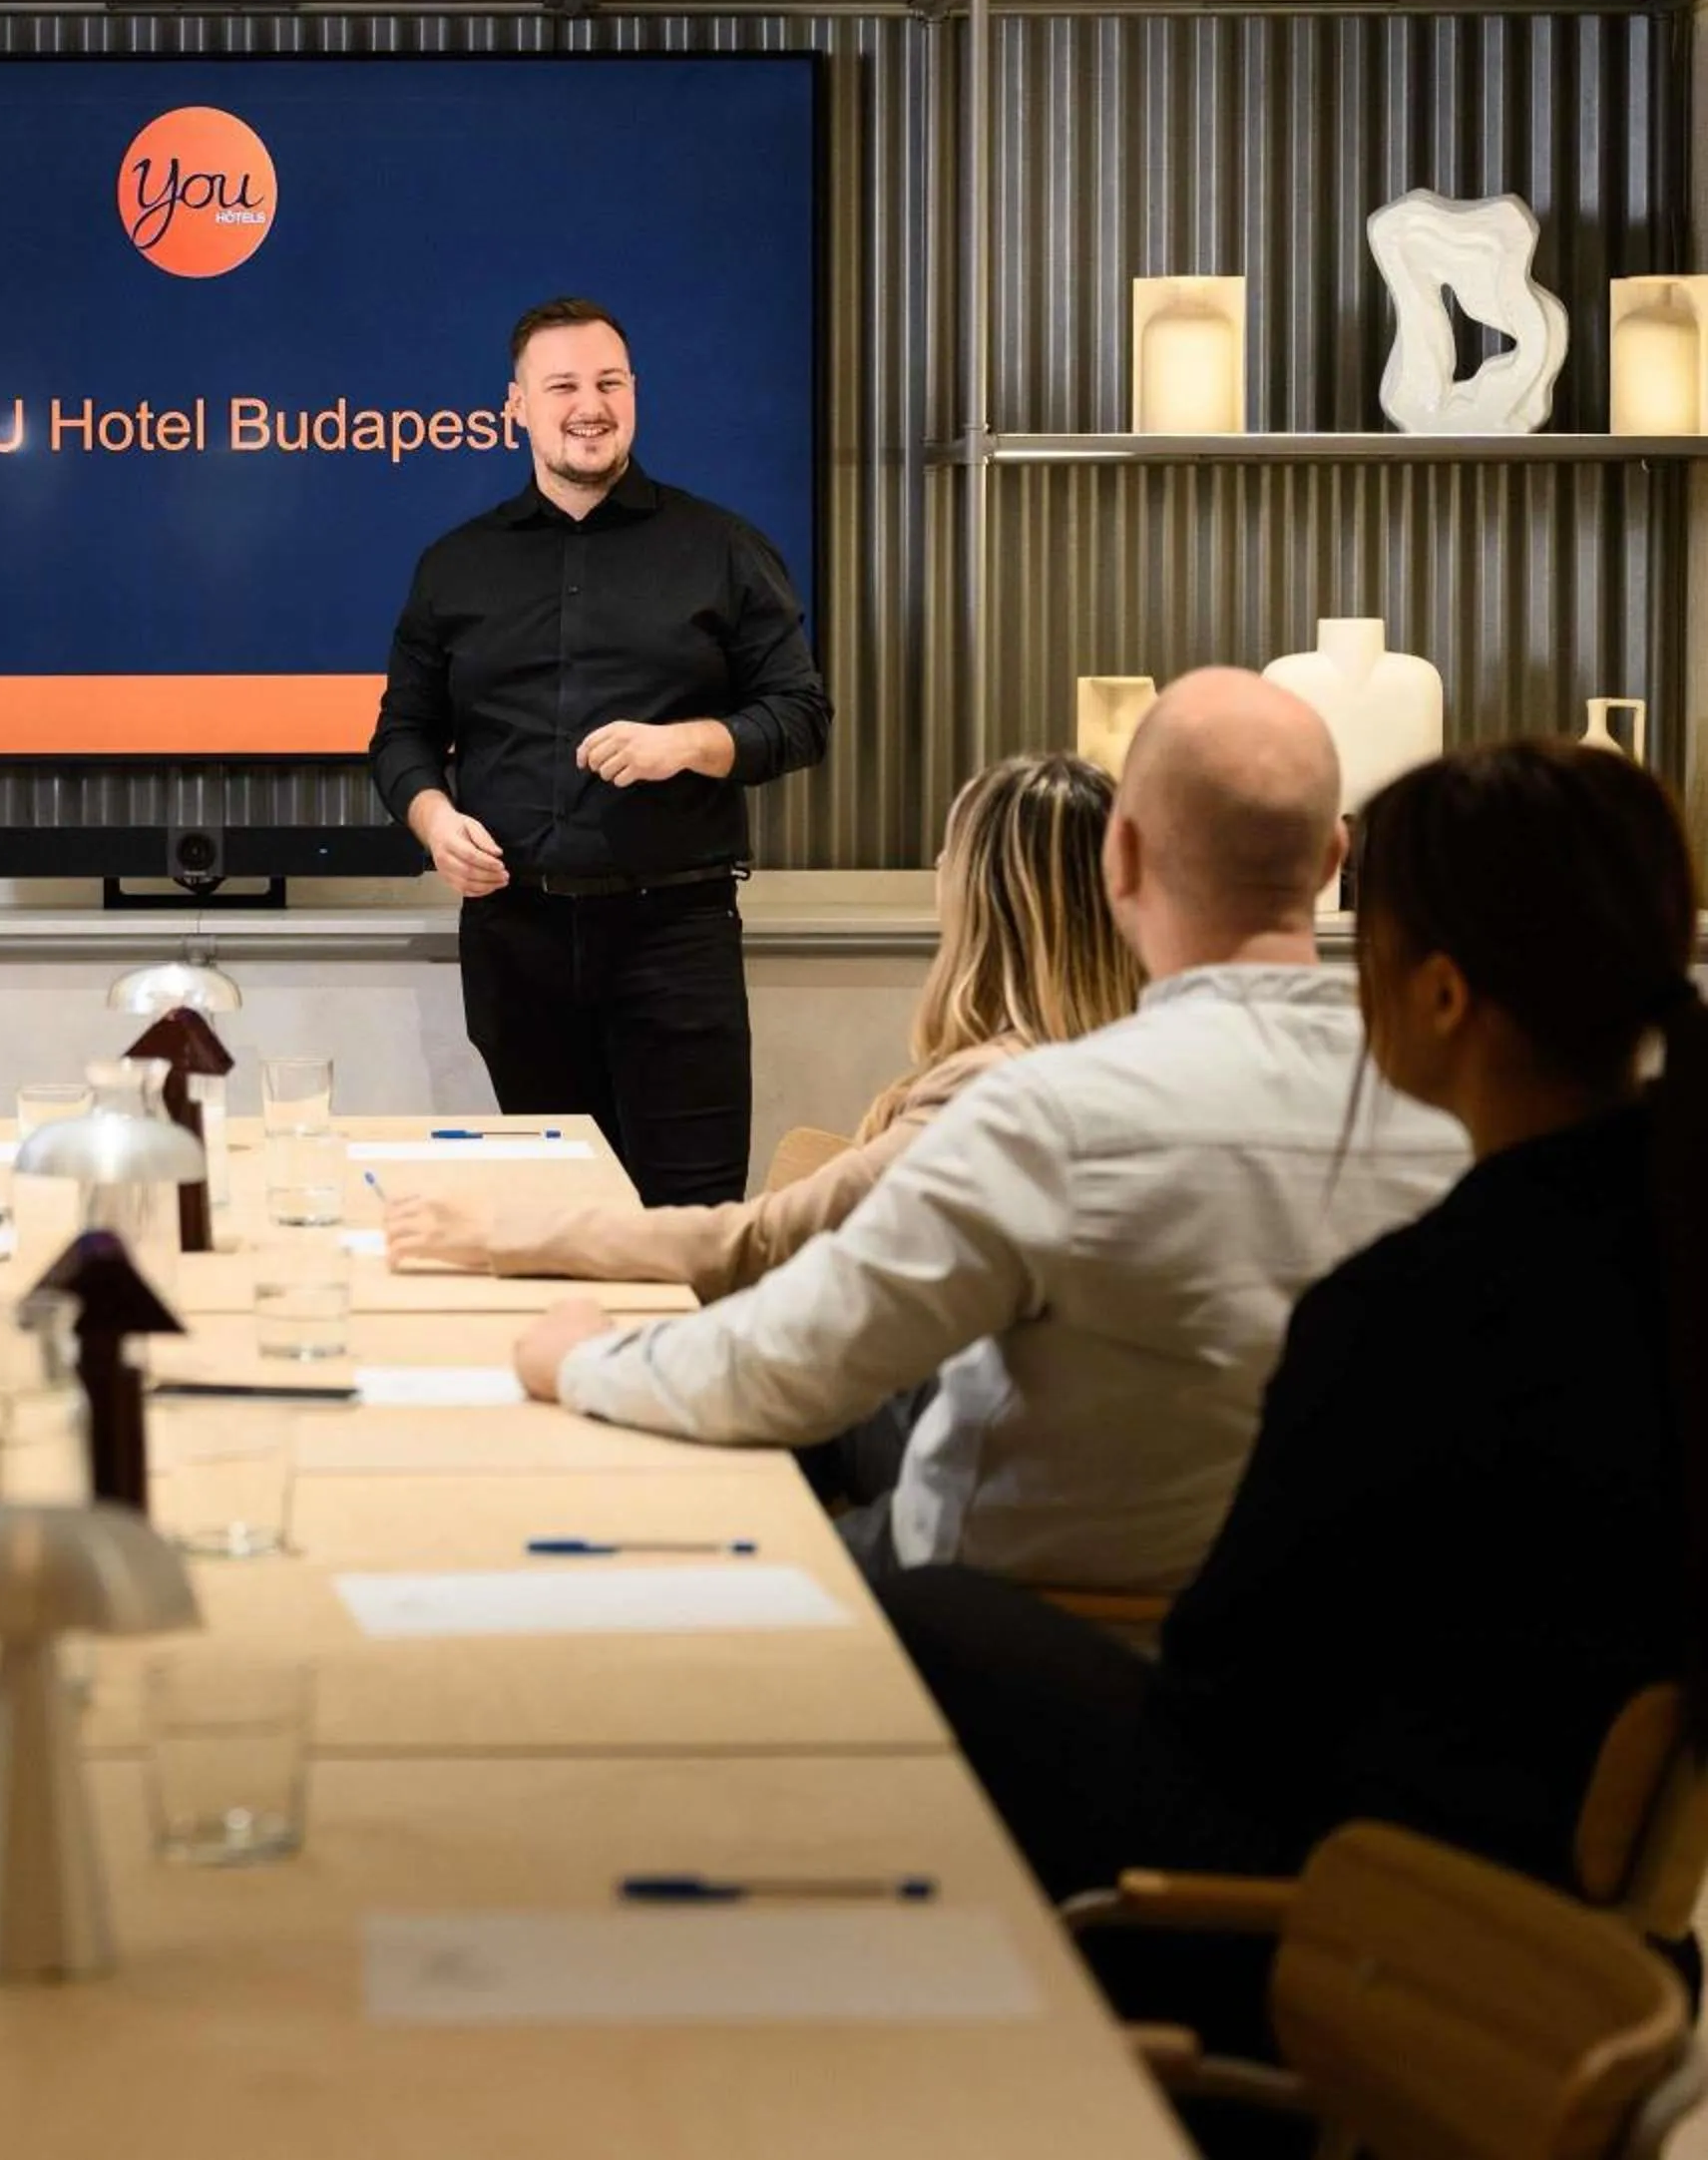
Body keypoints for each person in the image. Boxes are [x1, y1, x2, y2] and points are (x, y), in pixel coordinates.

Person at [882, 739, 1702, 1916]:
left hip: (1338, 1885)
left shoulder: (1412, 1308)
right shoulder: (1654, 1239)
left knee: (925, 1613)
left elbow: (1232, 1688)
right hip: (1539, 1876)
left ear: (1439, 993)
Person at [511, 669, 1470, 1588]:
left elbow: (785, 1366)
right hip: (1328, 1636)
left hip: (994, 1618)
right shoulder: (1451, 1112)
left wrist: (579, 1359)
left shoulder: (1048, 1113)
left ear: (1121, 858)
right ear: (1335, 858)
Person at [369, 296, 832, 1208]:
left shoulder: (723, 549)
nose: (590, 404)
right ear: (517, 405)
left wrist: (689, 745)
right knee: (557, 1222)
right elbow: (402, 733)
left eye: (609, 382)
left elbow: (801, 715)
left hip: (676, 937)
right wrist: (433, 820)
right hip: (516, 940)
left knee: (689, 1225)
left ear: (635, 395)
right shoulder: (455, 565)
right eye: (564, 385)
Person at [385, 750, 1143, 1295]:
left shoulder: (990, 1096)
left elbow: (755, 1243)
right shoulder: (1129, 1068)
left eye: (949, 857)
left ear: (980, 897)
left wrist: (500, 1234)